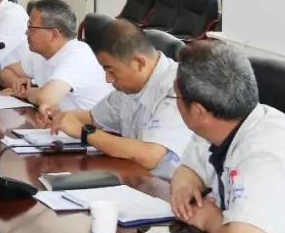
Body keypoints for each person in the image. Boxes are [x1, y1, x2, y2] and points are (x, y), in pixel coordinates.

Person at [169, 41, 285, 233]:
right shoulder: (223, 125)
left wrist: (208, 218)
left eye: (177, 98)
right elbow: (189, 168)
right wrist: (184, 186)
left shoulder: (267, 153)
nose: (176, 105)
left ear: (199, 111)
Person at [43, 19, 194, 179]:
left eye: (111, 71)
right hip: (135, 177)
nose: (108, 79)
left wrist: (85, 133)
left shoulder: (177, 88)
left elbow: (150, 155)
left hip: (168, 187)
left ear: (139, 63)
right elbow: (94, 118)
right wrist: (63, 117)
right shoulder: (128, 86)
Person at [0, 0, 112, 111]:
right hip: (58, 121)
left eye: (31, 27)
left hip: (92, 123)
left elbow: (46, 98)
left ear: (54, 34)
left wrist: (26, 92)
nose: (26, 32)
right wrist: (19, 87)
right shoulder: (41, 54)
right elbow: (6, 72)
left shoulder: (77, 55)